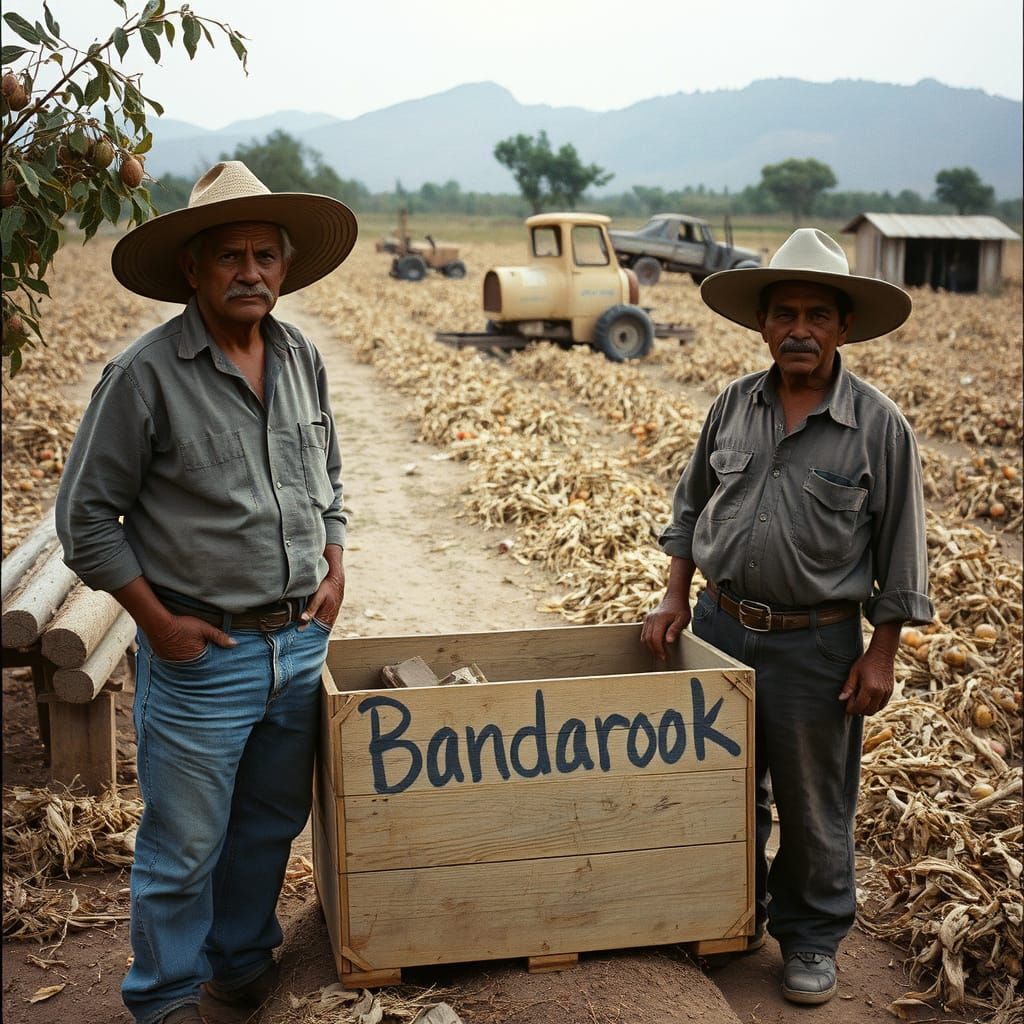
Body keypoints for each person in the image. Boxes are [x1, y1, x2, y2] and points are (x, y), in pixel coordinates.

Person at [56, 161, 358, 1024]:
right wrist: (158, 624)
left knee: (269, 827)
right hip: (203, 656)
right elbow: (86, 521)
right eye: (231, 255)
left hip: (297, 646)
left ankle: (239, 963)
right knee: (184, 845)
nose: (251, 272)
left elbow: (328, 477)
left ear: (285, 268)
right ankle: (164, 998)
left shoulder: (300, 357)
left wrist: (334, 560)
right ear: (193, 269)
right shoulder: (144, 375)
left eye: (266, 255)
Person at [641, 228, 933, 1006]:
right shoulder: (733, 406)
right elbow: (690, 508)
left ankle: (809, 938)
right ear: (762, 324)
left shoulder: (878, 426)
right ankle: (728, 921)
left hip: (817, 644)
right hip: (720, 627)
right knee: (723, 790)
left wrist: (881, 653)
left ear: (841, 327)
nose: (799, 329)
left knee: (812, 802)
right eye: (784, 314)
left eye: (816, 314)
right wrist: (675, 595)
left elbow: (902, 550)